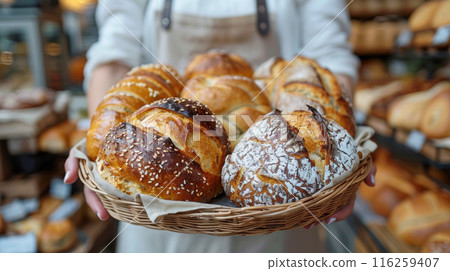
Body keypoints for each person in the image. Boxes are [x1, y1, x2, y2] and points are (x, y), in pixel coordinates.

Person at [64, 0, 376, 252]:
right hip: (154, 225)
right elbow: (113, 53)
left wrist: (337, 153)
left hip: (284, 209)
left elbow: (329, 54)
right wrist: (100, 148)